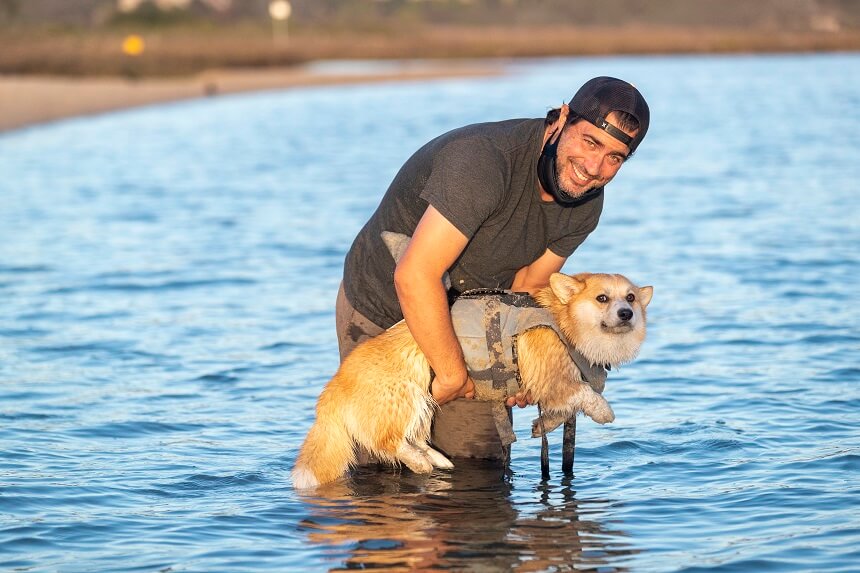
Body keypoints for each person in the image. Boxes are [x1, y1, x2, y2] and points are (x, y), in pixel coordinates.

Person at [335, 76, 650, 460]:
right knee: (384, 458)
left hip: (474, 321)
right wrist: (450, 375)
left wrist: (524, 365)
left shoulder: (585, 202)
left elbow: (528, 287)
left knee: (479, 465)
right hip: (387, 307)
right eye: (590, 141)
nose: (594, 167)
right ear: (563, 117)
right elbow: (414, 276)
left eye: (614, 157)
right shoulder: (482, 162)